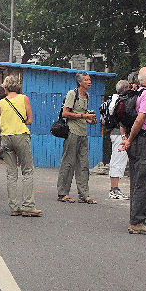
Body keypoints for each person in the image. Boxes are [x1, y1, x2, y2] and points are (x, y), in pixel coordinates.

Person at [122, 67, 146, 235]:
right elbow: (140, 119)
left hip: (136, 141)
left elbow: (126, 119)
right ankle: (138, 222)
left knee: (136, 180)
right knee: (144, 182)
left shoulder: (136, 94)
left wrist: (127, 138)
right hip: (143, 141)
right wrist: (129, 139)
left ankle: (135, 219)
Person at [0, 75, 42, 217]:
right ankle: (28, 205)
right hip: (20, 135)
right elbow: (30, 120)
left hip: (6, 137)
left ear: (5, 87)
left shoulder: (0, 102)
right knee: (27, 170)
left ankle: (13, 207)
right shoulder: (24, 98)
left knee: (11, 173)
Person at [57, 71, 98, 204]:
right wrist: (83, 116)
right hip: (72, 132)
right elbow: (65, 113)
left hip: (83, 133)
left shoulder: (86, 96)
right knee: (68, 163)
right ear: (80, 82)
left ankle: (84, 194)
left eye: (89, 79)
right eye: (86, 80)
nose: (89, 81)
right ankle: (63, 193)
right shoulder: (72, 94)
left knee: (84, 164)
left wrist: (89, 119)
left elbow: (83, 114)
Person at [108, 76, 135, 201]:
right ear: (125, 88)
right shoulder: (122, 101)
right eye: (128, 87)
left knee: (117, 160)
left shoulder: (115, 100)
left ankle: (115, 188)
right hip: (120, 134)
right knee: (118, 160)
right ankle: (114, 189)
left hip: (115, 132)